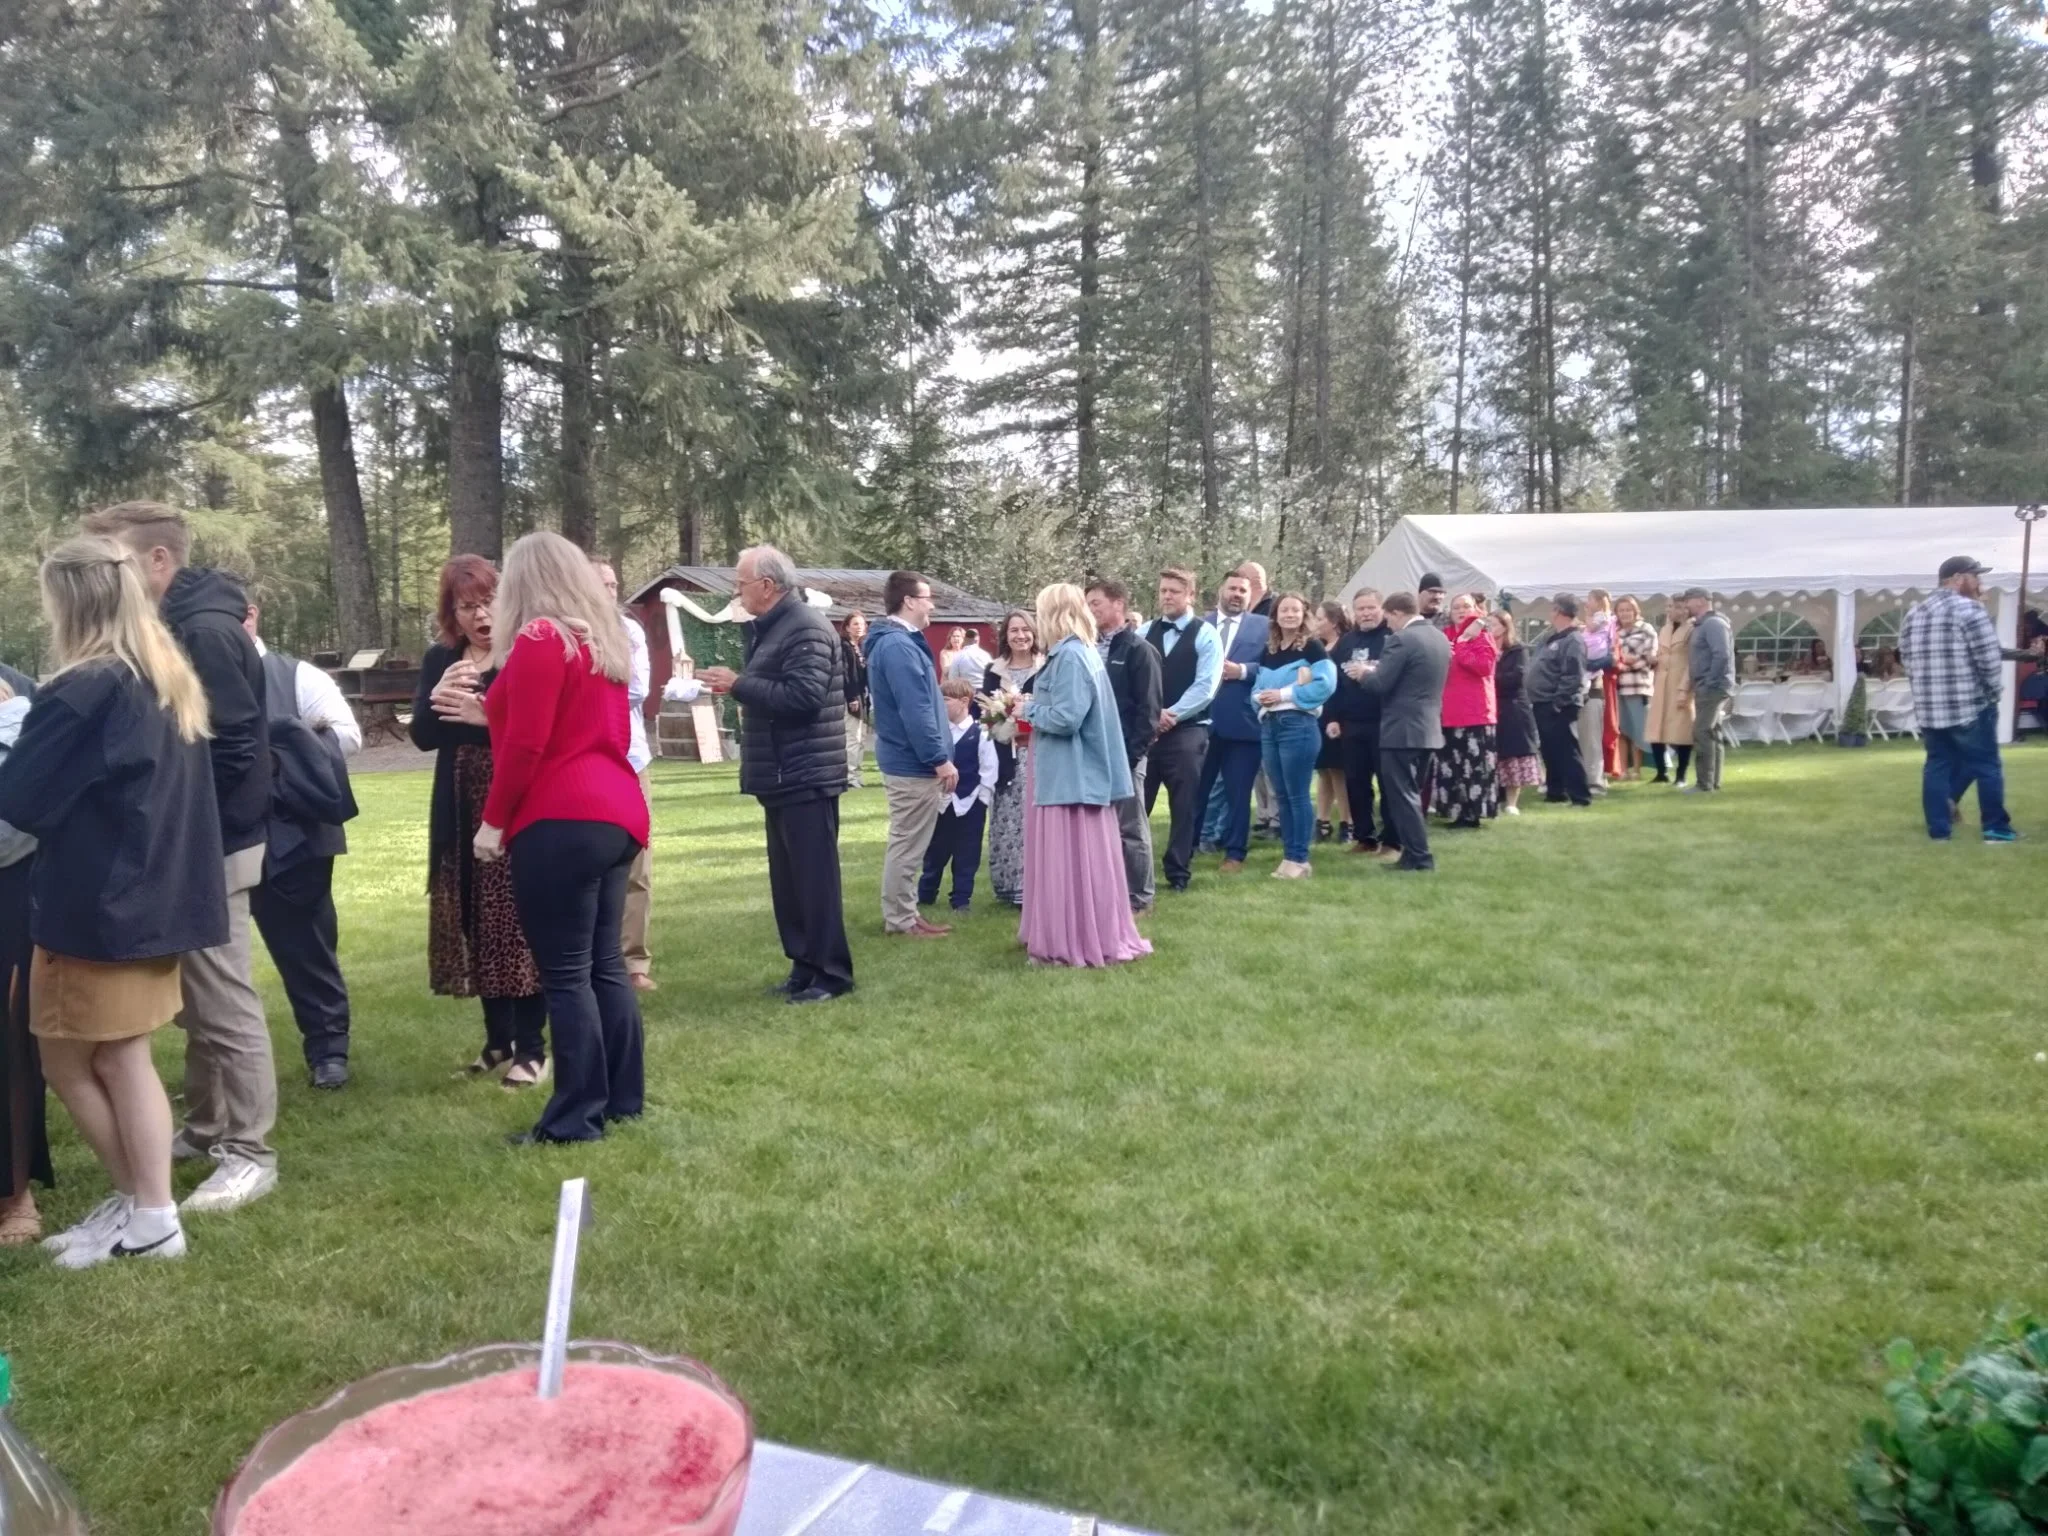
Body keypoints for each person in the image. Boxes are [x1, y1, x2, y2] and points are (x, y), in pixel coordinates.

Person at [0, 536, 227, 1267]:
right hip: (154, 896)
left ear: (66, 600)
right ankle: (138, 1205)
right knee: (89, 1057)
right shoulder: (162, 674)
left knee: (105, 1060)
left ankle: (152, 1213)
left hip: (100, 903)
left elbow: (21, 796)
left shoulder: (84, 687)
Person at [81, 502, 277, 1216]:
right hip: (190, 839)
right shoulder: (173, 624)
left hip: (214, 841)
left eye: (120, 564)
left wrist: (185, 827)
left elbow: (236, 744)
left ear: (159, 562)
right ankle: (205, 1124)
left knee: (223, 997)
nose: (111, 580)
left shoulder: (202, 629)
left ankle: (250, 1152)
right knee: (194, 996)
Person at [462, 532, 648, 1144]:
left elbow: (526, 745)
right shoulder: (601, 641)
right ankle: (621, 1098)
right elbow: (601, 733)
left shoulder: (542, 638)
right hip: (616, 811)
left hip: (561, 816)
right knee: (604, 968)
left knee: (565, 975)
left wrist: (494, 820)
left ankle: (573, 1120)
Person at [695, 546, 853, 998]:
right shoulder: (774, 627)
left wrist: (738, 684)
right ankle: (803, 966)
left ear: (767, 586)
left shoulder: (805, 627)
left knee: (814, 880)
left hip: (805, 773)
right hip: (783, 773)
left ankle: (832, 974)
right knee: (788, 883)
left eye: (740, 583)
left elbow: (803, 698)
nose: (736, 591)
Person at [414, 556, 549, 1086]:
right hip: (458, 807)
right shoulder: (442, 658)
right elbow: (426, 735)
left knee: (516, 925)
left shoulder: (523, 654)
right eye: (467, 607)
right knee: (475, 918)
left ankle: (533, 1050)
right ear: (453, 613)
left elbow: (534, 737)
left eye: (488, 602)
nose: (480, 616)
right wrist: (439, 692)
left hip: (514, 805)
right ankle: (498, 1041)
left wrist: (484, 717)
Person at [244, 602, 362, 1091]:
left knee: (308, 948)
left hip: (293, 834)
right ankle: (218, 1070)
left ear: (251, 616)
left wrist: (280, 749)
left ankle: (328, 1050)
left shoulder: (297, 675)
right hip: (215, 836)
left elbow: (346, 736)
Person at [1017, 585, 1151, 967]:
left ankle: (1067, 943)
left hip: (1070, 778)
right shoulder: (1078, 653)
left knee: (1068, 866)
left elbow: (1066, 718)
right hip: (1073, 776)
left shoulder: (1071, 657)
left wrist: (1027, 710)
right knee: (1079, 865)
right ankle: (1076, 934)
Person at [865, 571, 960, 938]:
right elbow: (916, 710)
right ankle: (901, 921)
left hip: (908, 760)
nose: (932, 604)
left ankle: (906, 913)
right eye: (927, 597)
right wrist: (939, 758)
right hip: (913, 764)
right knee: (907, 845)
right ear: (909, 601)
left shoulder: (897, 643)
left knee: (909, 843)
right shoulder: (899, 647)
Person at [1899, 555, 2017, 842]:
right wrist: (1992, 694)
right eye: (1976, 577)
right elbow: (1989, 661)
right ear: (1959, 578)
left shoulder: (1914, 614)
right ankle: (1996, 829)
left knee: (1937, 766)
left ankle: (1939, 831)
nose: (1980, 583)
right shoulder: (1970, 611)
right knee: (1987, 765)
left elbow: (1906, 659)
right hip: (1969, 705)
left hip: (1930, 709)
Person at [593, 559, 659, 993]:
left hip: (629, 760)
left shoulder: (628, 631)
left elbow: (637, 689)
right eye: (600, 584)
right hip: (581, 764)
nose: (609, 592)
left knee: (637, 867)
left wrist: (587, 677)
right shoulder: (558, 631)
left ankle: (634, 963)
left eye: (614, 584)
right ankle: (591, 958)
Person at [0, 675, 50, 1246]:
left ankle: (14, 1194)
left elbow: (17, 830)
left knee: (10, 1049)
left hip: (9, 896)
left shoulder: (19, 709)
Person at [1358, 593, 1450, 872]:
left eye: (1389, 619)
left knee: (1403, 796)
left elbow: (1381, 684)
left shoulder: (1401, 640)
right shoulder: (1439, 638)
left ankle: (1420, 857)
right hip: (1429, 727)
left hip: (1402, 729)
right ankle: (1412, 854)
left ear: (1396, 613)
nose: (1389, 626)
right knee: (1412, 793)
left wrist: (1364, 673)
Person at [1086, 580, 1162, 913]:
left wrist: (1133, 756)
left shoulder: (1138, 650)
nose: (1090, 610)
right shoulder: (1087, 647)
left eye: (1096, 603)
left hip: (1126, 754)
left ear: (1118, 605)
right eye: (1087, 604)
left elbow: (1149, 710)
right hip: (1091, 752)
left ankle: (1140, 898)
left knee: (1131, 827)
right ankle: (1106, 891)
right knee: (1097, 826)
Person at [1143, 568, 1220, 893]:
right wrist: (1150, 717)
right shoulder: (1145, 631)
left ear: (1190, 595)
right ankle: (1132, 869)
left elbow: (1206, 686)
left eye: (1174, 591)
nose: (1167, 596)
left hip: (1188, 731)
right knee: (1136, 803)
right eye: (1163, 590)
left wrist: (1170, 715)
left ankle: (1177, 872)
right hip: (1146, 733)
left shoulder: (1206, 634)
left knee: (1184, 804)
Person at [1253, 593, 1337, 879]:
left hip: (1298, 726)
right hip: (1270, 726)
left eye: (1295, 610)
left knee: (1297, 794)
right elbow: (1258, 687)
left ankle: (1299, 859)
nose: (1289, 614)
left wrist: (1284, 694)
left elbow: (1325, 685)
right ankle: (1289, 856)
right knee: (1283, 796)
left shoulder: (1313, 648)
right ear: (1275, 615)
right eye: (1284, 610)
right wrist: (1262, 697)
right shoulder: (1270, 651)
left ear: (1304, 615)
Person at [1193, 570, 1272, 874]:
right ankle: (1187, 846)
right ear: (1220, 592)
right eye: (1233, 589)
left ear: (1250, 596)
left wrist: (1242, 671)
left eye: (1243, 590)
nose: (1237, 594)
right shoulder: (1201, 626)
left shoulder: (1263, 627)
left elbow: (1271, 664)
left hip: (1243, 724)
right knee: (1197, 791)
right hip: (1201, 723)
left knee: (1239, 794)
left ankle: (1235, 852)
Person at [918, 678, 998, 912]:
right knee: (935, 851)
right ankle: (926, 893)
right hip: (941, 803)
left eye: (945, 700)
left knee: (967, 853)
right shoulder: (939, 734)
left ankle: (961, 899)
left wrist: (981, 799)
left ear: (964, 701)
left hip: (969, 802)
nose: (940, 705)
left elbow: (989, 769)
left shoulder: (981, 733)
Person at [982, 610, 1044, 908]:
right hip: (1007, 755)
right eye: (1014, 630)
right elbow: (982, 713)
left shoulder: (1047, 666)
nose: (1020, 635)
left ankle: (1040, 884)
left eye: (1025, 630)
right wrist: (1001, 719)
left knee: (1037, 817)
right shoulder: (994, 670)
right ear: (1005, 636)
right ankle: (1010, 885)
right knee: (1008, 817)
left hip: (1039, 753)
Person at [1329, 589, 1391, 853]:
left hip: (1385, 722)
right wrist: (1332, 717)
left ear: (1382, 609)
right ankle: (1365, 837)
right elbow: (1333, 683)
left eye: (1370, 608)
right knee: (1356, 781)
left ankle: (1392, 838)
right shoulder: (1346, 642)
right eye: (1360, 609)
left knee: (1388, 782)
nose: (1365, 613)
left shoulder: (1392, 638)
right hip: (1351, 723)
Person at [1440, 593, 1500, 828]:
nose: (1461, 611)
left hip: (1476, 713)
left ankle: (1473, 813)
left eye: (1466, 606)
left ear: (1476, 608)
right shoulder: (1445, 635)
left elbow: (1484, 667)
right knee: (1452, 765)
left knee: (1474, 766)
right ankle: (1456, 811)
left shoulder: (1482, 635)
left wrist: (1463, 646)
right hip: (1449, 712)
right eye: (1456, 607)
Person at [1528, 595, 1592, 807]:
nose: (1550, 613)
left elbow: (1573, 674)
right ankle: (1556, 791)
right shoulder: (1553, 638)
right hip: (1542, 701)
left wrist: (1559, 701)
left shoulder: (1573, 639)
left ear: (1559, 611)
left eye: (1553, 609)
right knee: (1549, 749)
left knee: (1566, 749)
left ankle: (1580, 795)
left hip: (1558, 704)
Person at [1682, 588, 1736, 794]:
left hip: (1712, 687)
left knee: (1702, 731)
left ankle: (1704, 784)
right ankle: (1713, 782)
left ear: (1701, 601)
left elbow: (1721, 655)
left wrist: (1709, 681)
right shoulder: (1705, 624)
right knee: (1713, 732)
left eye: (1688, 601)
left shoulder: (1713, 624)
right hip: (1710, 685)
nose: (1686, 605)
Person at [1487, 610, 1541, 814]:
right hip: (1490, 707)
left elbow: (1516, 677)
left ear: (1504, 626)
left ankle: (1511, 802)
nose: (1490, 628)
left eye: (1493, 624)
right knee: (1494, 756)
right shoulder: (1484, 647)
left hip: (1513, 708)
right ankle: (1493, 798)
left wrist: (1489, 678)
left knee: (1513, 756)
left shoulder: (1518, 650)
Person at [1309, 602, 1352, 843]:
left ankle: (1348, 822)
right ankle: (1322, 821)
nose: (1315, 624)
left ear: (1333, 622)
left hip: (1337, 715)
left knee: (1339, 772)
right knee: (1323, 771)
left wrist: (1337, 718)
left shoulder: (1345, 646)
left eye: (1319, 618)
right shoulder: (1319, 648)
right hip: (1320, 714)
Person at [1612, 595, 1659, 781]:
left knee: (1639, 730)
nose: (1624, 614)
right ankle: (1623, 769)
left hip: (1639, 686)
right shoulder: (1614, 631)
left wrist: (1624, 662)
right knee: (1622, 730)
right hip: (1618, 686)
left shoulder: (1646, 629)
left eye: (1627, 610)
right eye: (1621, 610)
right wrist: (1622, 660)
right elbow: (1610, 654)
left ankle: (1637, 770)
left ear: (1635, 611)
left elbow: (1649, 657)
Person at [1650, 600, 1696, 784]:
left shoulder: (1692, 630)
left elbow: (1693, 662)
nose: (1671, 611)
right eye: (1668, 606)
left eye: (1676, 607)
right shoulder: (1664, 630)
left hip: (1680, 685)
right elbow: (1662, 655)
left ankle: (1681, 775)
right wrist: (1654, 660)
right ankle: (1661, 772)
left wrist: (1685, 688)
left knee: (1681, 732)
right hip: (1661, 685)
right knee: (1656, 730)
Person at [1578, 588, 1617, 794]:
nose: (1587, 603)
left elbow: (1592, 629)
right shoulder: (1603, 619)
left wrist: (1586, 617)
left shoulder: (1601, 617)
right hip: (1593, 656)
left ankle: (1595, 779)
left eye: (1589, 600)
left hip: (1595, 667)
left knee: (1592, 736)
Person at [841, 610, 870, 789]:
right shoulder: (844, 646)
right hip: (852, 697)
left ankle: (856, 775)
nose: (860, 628)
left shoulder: (859, 647)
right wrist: (851, 696)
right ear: (847, 627)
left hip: (862, 696)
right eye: (855, 624)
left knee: (861, 738)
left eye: (862, 624)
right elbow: (846, 674)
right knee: (852, 737)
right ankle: (849, 777)